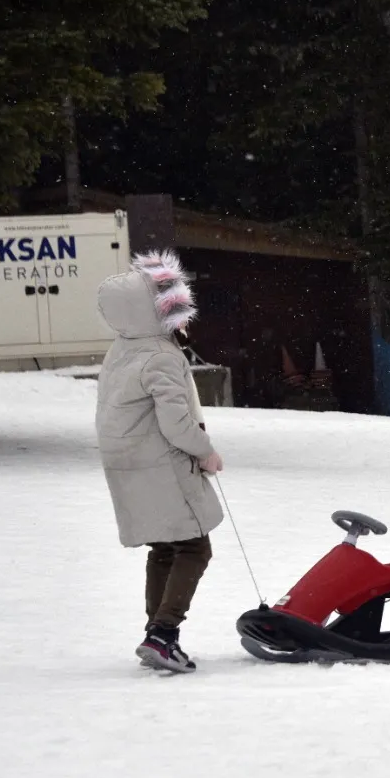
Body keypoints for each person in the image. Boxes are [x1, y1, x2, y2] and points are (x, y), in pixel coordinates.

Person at [95, 249, 224, 672]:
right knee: (194, 547)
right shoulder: (161, 357)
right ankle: (164, 635)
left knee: (166, 547)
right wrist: (205, 453)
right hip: (161, 465)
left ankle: (156, 633)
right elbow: (176, 422)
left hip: (131, 465)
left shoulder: (123, 350)